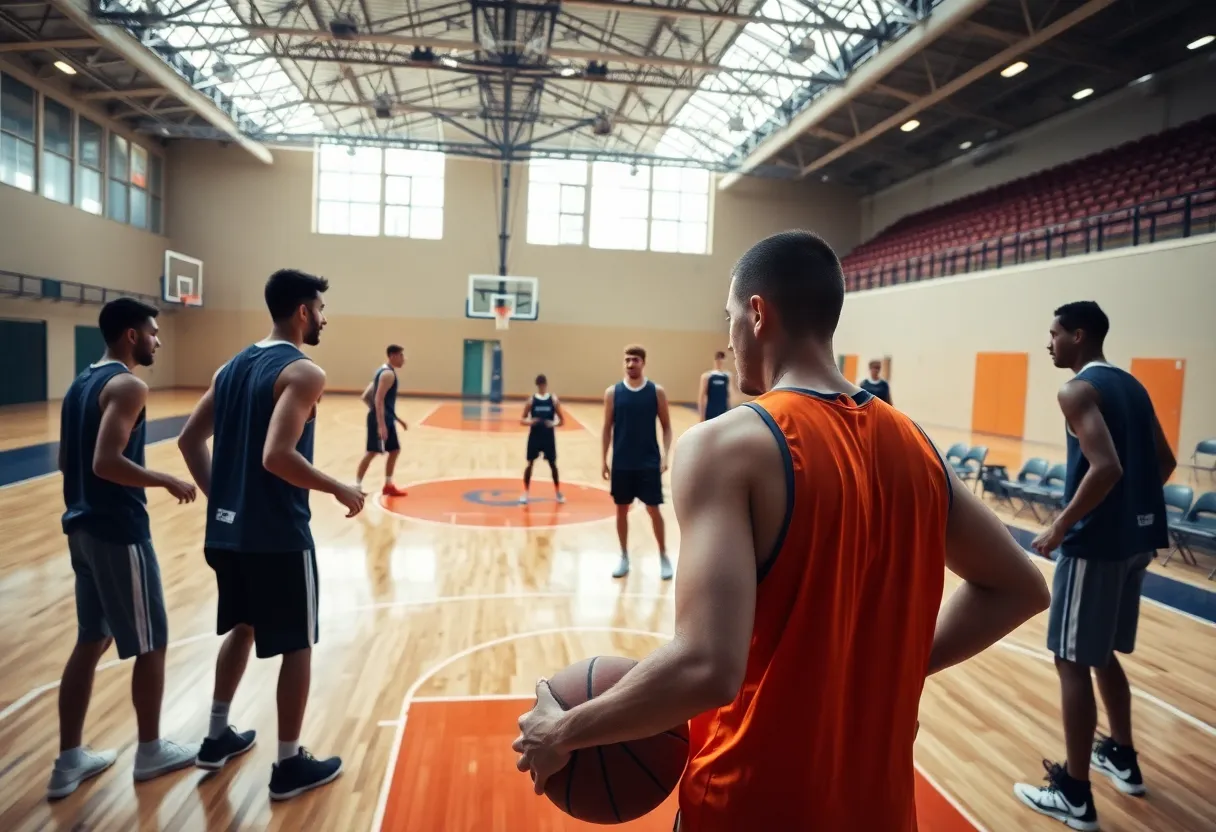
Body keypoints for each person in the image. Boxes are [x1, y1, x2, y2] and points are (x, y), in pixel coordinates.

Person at [514, 230, 1050, 830]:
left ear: (757, 312)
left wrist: (562, 731)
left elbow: (707, 668)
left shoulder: (724, 446)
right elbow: (1021, 588)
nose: (730, 336)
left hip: (749, 803)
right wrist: (894, 667)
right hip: (881, 810)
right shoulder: (919, 448)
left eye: (729, 318)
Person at [177, 269, 365, 800]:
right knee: (297, 644)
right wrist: (339, 488)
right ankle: (287, 765)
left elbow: (189, 441)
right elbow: (278, 456)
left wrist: (225, 503)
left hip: (228, 535)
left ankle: (216, 737)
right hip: (278, 535)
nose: (324, 318)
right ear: (303, 311)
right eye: (321, 309)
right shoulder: (303, 372)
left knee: (242, 627)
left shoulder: (230, 367)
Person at [1014, 301, 1173, 831]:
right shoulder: (1133, 386)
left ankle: (1075, 794)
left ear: (1078, 336)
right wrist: (1130, 509)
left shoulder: (1076, 390)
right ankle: (1122, 756)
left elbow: (1105, 467)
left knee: (1070, 659)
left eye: (1054, 333)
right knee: (1101, 653)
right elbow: (1164, 461)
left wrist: (1060, 526)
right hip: (1137, 542)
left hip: (1095, 546)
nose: (1049, 343)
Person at [49, 297, 200, 799]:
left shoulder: (80, 384)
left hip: (81, 528)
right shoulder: (129, 385)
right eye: (153, 332)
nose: (158, 340)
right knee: (152, 641)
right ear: (131, 336)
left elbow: (67, 460)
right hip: (118, 530)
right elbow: (105, 462)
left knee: (92, 639)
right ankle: (150, 751)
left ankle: (69, 761)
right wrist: (166, 479)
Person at [601, 345, 673, 581]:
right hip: (622, 462)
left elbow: (667, 427)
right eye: (627, 360)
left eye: (635, 360)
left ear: (643, 363)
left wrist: (665, 455)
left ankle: (663, 555)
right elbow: (606, 428)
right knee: (621, 509)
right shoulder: (613, 393)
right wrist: (603, 460)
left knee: (654, 509)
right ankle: (623, 556)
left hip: (648, 462)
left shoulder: (656, 392)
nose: (631, 364)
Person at [355, 344, 408, 496]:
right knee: (372, 452)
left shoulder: (382, 371)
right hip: (380, 421)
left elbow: (366, 396)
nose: (404, 359)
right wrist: (380, 424)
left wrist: (396, 419)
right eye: (401, 356)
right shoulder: (388, 375)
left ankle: (388, 485)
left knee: (394, 450)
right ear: (393, 356)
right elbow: (378, 399)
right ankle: (356, 486)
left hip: (385, 419)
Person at [519, 374, 564, 505]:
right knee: (530, 464)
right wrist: (530, 421)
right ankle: (525, 493)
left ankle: (558, 492)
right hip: (535, 436)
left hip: (548, 437)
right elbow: (522, 419)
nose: (542, 387)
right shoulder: (531, 400)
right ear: (537, 386)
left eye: (543, 385)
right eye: (540, 385)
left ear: (546, 385)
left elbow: (562, 421)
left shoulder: (553, 400)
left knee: (553, 464)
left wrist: (553, 424)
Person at [697, 351, 732, 421]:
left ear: (725, 360)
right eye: (718, 358)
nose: (720, 361)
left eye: (722, 359)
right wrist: (701, 415)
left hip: (723, 411)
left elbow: (729, 395)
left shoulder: (728, 376)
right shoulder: (707, 376)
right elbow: (701, 396)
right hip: (710, 411)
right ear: (715, 360)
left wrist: (730, 411)